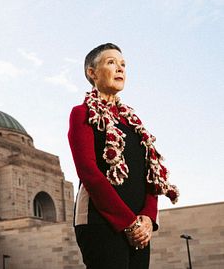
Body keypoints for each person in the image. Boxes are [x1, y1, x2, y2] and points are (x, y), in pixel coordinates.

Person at [68, 43, 179, 269]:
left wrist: (147, 218)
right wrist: (128, 222)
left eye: (123, 65)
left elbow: (151, 174)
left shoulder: (134, 124)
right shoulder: (82, 113)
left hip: (139, 227)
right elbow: (89, 172)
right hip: (100, 223)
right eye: (111, 62)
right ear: (92, 72)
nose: (120, 69)